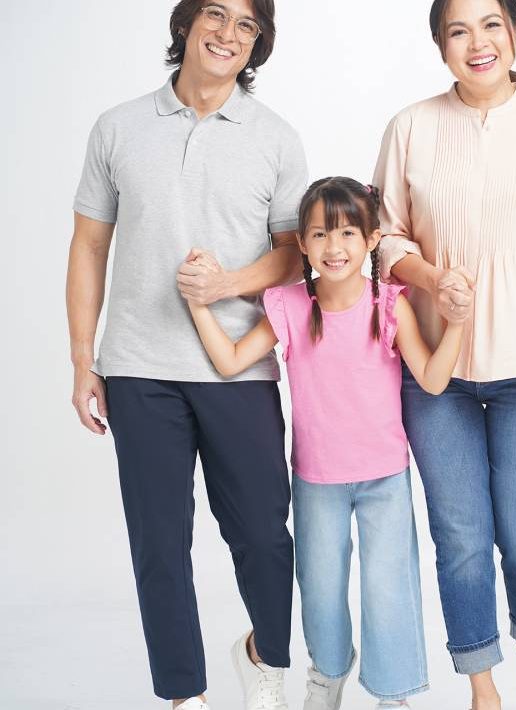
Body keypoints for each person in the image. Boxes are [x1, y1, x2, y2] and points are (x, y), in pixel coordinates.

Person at [66, 2, 308, 709]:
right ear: (185, 24)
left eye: (247, 25)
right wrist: (83, 360)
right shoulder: (118, 128)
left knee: (263, 534)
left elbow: (295, 257)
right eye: (216, 14)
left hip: (239, 366)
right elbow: (89, 247)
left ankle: (264, 655)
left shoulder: (276, 138)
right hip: (138, 367)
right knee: (159, 545)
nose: (229, 34)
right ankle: (183, 696)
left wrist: (226, 284)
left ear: (258, 43)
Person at [372, 1, 516, 709]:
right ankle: (481, 686)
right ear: (440, 45)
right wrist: (431, 277)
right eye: (458, 30)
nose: (477, 42)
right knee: (461, 537)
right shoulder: (410, 127)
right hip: (435, 375)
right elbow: (384, 238)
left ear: (515, 33)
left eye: (491, 25)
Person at [184, 177, 472, 709]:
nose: (333, 247)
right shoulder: (289, 304)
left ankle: (393, 695)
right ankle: (327, 676)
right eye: (319, 234)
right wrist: (200, 304)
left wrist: (455, 324)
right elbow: (229, 360)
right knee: (319, 593)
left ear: (372, 239)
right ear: (302, 242)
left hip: (385, 478)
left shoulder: (390, 304)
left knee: (389, 590)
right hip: (317, 481)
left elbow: (432, 380)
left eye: (346, 233)